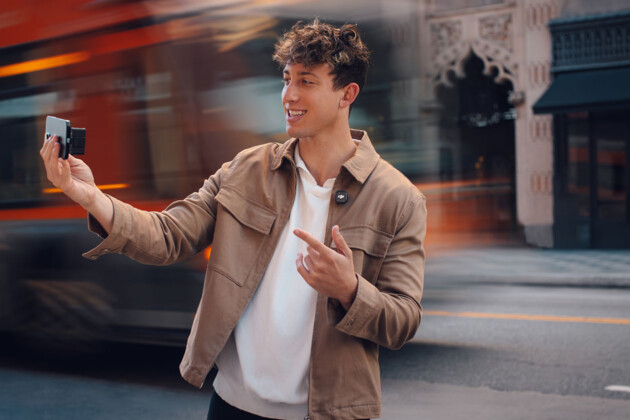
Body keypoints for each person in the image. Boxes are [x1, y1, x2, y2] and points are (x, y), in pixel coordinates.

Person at [40, 19, 426, 420]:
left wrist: (349, 289)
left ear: (347, 94)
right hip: (232, 407)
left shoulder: (399, 199)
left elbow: (403, 320)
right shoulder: (246, 168)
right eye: (286, 79)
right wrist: (89, 195)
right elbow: (168, 236)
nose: (289, 95)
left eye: (307, 81)